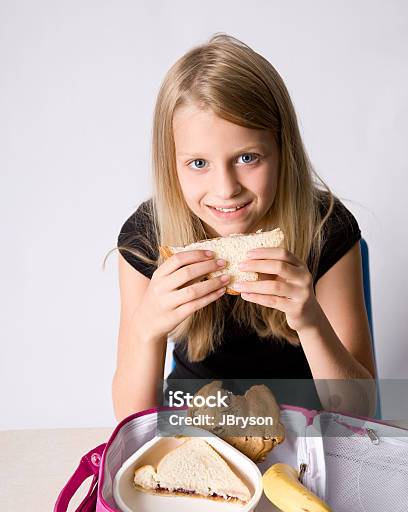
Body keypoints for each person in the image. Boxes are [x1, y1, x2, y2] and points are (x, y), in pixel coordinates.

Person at [112, 33, 377, 422]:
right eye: (198, 163)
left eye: (247, 157)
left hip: (307, 426)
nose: (226, 189)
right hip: (195, 420)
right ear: (171, 163)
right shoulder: (147, 238)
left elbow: (359, 410)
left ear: (282, 150)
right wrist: (147, 330)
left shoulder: (326, 227)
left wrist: (311, 320)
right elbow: (130, 422)